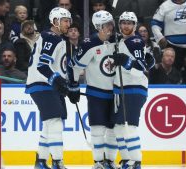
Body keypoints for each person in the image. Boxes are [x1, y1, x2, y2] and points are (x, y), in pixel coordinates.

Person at [68, 10, 118, 169]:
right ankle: (98, 162)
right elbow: (75, 66)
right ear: (98, 27)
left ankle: (110, 161)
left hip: (116, 93)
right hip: (96, 92)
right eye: (106, 24)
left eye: (111, 23)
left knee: (113, 129)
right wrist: (74, 85)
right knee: (98, 129)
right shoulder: (89, 44)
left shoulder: (118, 42)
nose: (110, 27)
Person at [25, 7, 72, 169]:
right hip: (42, 84)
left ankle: (41, 161)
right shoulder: (52, 38)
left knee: (49, 123)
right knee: (55, 122)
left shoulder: (55, 38)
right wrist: (57, 80)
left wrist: (64, 83)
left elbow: (56, 66)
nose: (68, 24)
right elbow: (43, 66)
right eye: (65, 20)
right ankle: (58, 162)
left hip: (45, 84)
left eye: (69, 20)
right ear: (55, 22)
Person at [112, 11, 155, 169]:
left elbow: (142, 68)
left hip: (134, 89)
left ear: (135, 25)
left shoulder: (135, 41)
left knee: (129, 127)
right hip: (122, 88)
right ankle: (126, 160)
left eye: (129, 23)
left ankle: (136, 162)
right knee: (118, 127)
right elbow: (149, 61)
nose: (126, 26)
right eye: (123, 22)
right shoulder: (121, 41)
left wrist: (126, 62)